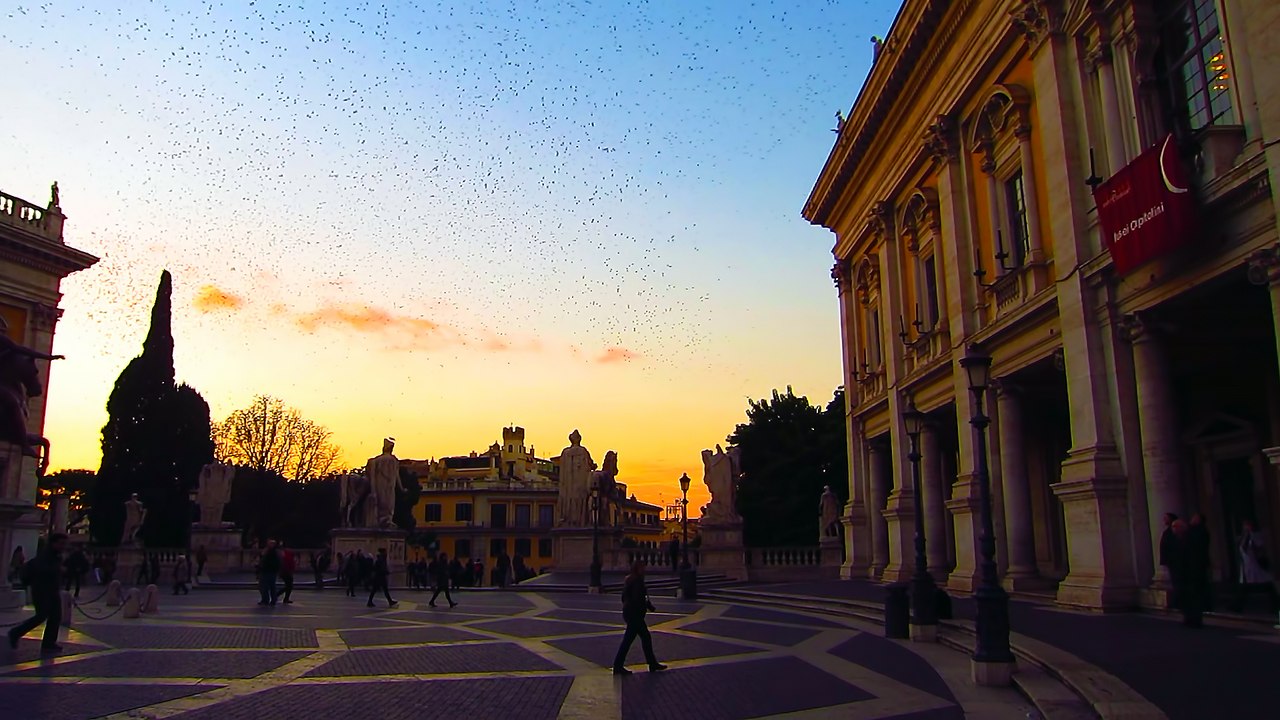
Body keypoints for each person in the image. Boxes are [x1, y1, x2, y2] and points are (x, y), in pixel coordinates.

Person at [8, 533, 67, 653]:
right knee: (41, 616)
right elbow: (43, 570)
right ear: (53, 543)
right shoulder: (45, 556)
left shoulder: (56, 556)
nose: (63, 546)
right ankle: (15, 632)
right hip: (42, 590)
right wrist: (58, 569)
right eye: (61, 543)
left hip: (52, 590)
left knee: (55, 616)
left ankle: (49, 643)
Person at [611, 560, 667, 675]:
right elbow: (639, 598)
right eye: (642, 567)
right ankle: (619, 666)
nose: (644, 569)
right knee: (634, 639)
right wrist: (644, 607)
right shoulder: (637, 581)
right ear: (637, 569)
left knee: (641, 638)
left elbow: (626, 597)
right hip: (635, 615)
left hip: (630, 613)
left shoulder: (630, 580)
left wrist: (648, 606)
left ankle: (651, 663)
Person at [1233, 519, 1279, 614]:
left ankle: (1276, 605)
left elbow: (1259, 547)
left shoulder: (1254, 536)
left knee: (1266, 583)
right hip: (1248, 565)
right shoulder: (1244, 536)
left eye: (1247, 525)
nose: (1245, 527)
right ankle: (1237, 606)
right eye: (1245, 525)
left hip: (1255, 563)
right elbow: (1241, 547)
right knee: (1246, 586)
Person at [258, 540, 281, 606]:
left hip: (268, 571)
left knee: (266, 586)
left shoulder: (270, 552)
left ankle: (266, 600)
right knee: (271, 586)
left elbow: (264, 561)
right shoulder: (275, 552)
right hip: (270, 571)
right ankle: (271, 600)